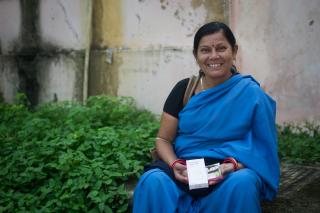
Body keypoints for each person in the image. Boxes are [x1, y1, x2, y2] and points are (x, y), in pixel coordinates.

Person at [133, 21, 280, 213]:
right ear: (196, 56)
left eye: (221, 48)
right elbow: (163, 139)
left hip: (227, 173)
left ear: (234, 51)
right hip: (183, 171)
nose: (214, 56)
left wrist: (233, 165)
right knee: (153, 181)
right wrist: (174, 163)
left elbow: (264, 148)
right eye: (205, 50)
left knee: (243, 182)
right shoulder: (184, 90)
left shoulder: (251, 94)